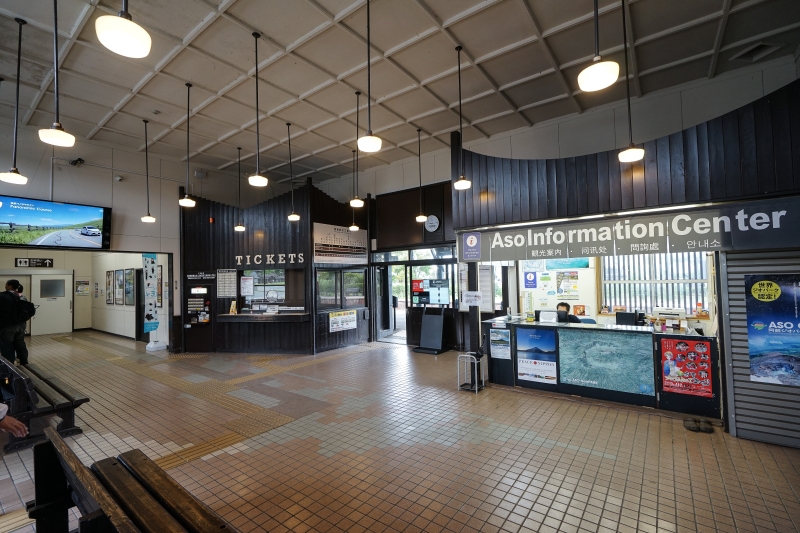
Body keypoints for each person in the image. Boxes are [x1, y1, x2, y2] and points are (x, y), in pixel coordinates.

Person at [0, 280, 23, 365]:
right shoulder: (20, 296)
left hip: (7, 326)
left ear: (10, 286)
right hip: (20, 325)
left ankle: (9, 366)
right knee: (20, 345)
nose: (5, 286)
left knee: (7, 346)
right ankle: (24, 364)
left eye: (6, 284)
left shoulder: (3, 296)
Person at [13, 284, 29, 366]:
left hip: (11, 325)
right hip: (22, 324)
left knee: (9, 343)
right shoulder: (23, 297)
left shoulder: (10, 298)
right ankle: (24, 361)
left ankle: (11, 361)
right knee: (20, 343)